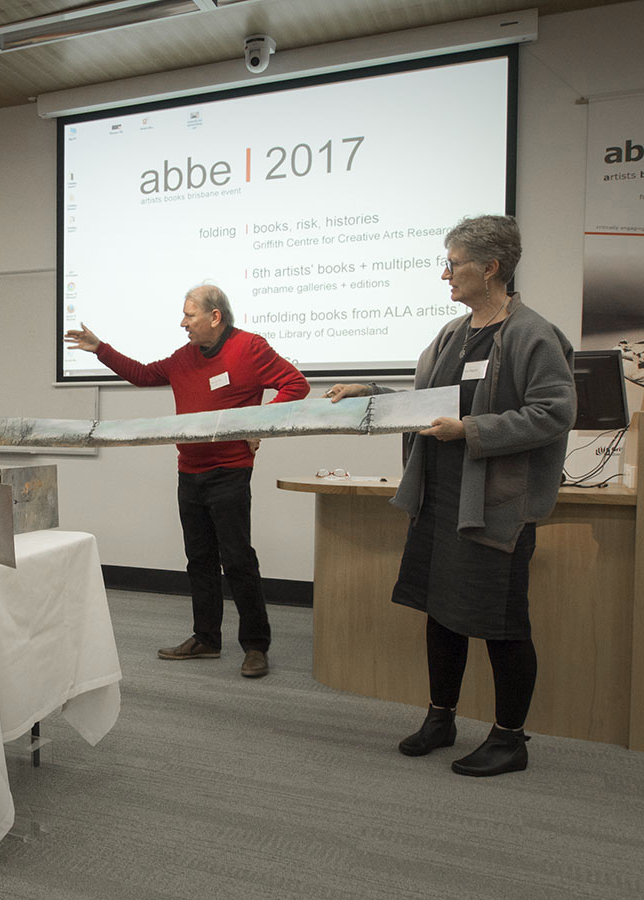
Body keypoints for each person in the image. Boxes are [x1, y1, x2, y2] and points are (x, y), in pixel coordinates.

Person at [327, 215, 575, 776]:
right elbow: (429, 403)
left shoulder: (534, 335)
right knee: (441, 612)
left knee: (502, 623)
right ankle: (441, 718)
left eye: (453, 263)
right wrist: (373, 392)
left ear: (490, 268)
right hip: (439, 501)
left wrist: (471, 430)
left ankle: (509, 739)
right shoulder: (451, 334)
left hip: (494, 507)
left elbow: (554, 413)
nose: (445, 275)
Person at [66, 284, 309, 678]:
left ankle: (255, 646)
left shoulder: (249, 348)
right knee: (199, 560)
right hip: (189, 472)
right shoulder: (184, 357)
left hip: (230, 471)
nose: (183, 323)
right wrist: (100, 349)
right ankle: (206, 639)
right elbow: (143, 375)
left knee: (237, 560)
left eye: (189, 315)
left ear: (215, 316)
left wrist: (261, 423)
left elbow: (296, 384)